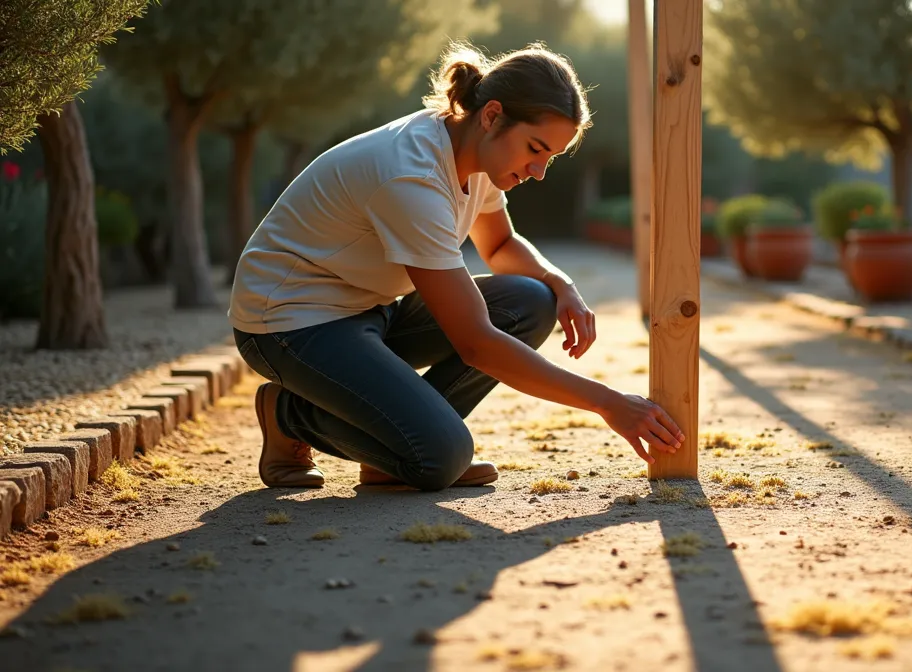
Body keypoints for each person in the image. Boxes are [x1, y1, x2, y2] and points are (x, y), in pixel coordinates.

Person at [227, 42, 685, 491]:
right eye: (535, 148)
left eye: (550, 157)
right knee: (441, 457)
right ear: (492, 116)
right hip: (290, 324)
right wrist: (609, 403)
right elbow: (476, 344)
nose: (539, 171)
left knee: (532, 300)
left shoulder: (472, 152)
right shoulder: (414, 177)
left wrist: (560, 283)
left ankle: (392, 448)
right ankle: (289, 414)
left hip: (370, 310)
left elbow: (500, 244)